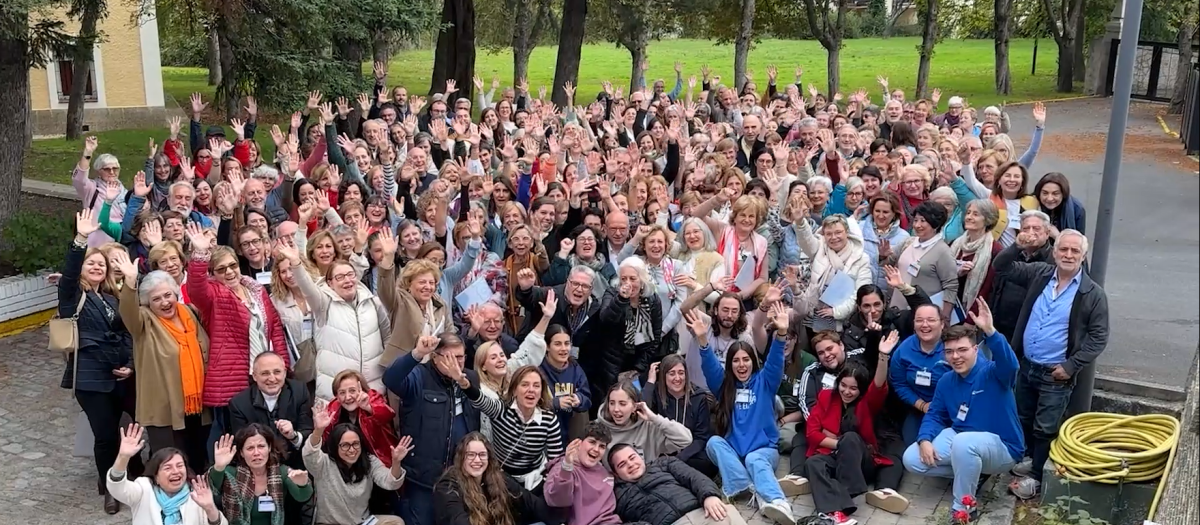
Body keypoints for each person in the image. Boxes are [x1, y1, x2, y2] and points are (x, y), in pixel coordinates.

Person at [993, 229, 1109, 499]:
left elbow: (1099, 336)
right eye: (1064, 249)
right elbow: (1002, 267)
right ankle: (1032, 460)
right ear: (1055, 251)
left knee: (1045, 426)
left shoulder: (1091, 293)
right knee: (1023, 417)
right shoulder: (1040, 274)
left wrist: (1071, 366)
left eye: (1075, 251)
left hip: (1056, 373)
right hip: (1027, 365)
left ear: (1083, 256)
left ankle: (1036, 477)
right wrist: (1017, 246)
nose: (1068, 255)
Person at [902, 299, 1022, 523]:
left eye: (962, 350)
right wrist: (924, 439)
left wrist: (990, 331)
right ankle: (972, 472)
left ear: (976, 350)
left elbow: (1011, 365)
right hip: (961, 439)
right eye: (949, 352)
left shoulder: (993, 373)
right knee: (912, 459)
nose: (955, 357)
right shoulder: (947, 380)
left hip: (1003, 447)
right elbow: (935, 414)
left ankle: (963, 510)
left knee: (964, 443)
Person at [184, 223, 290, 455]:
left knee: (260, 436)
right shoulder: (214, 294)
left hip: (262, 373)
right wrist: (200, 255)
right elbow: (196, 289)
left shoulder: (256, 290)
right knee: (227, 438)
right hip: (232, 378)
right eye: (222, 269)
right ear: (213, 273)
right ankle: (218, 480)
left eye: (232, 265)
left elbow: (274, 330)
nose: (230, 272)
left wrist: (281, 363)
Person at [62, 209, 138, 514]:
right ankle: (109, 487)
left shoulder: (111, 298)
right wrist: (81, 239)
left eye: (100, 264)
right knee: (105, 435)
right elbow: (68, 275)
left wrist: (131, 363)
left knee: (130, 427)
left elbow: (129, 331)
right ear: (82, 268)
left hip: (121, 376)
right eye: (90, 263)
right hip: (91, 380)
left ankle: (130, 471)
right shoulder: (72, 296)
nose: (96, 266)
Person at [695, 303, 795, 525]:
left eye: (746, 359)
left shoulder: (765, 382)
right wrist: (703, 341)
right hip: (734, 453)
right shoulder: (724, 385)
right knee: (713, 442)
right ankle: (747, 487)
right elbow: (710, 366)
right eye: (736, 360)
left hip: (763, 451)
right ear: (730, 365)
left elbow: (776, 361)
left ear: (753, 362)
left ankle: (778, 502)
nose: (741, 365)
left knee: (754, 458)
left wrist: (781, 333)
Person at [113, 252, 210, 476]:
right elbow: (127, 312)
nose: (165, 302)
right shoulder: (144, 321)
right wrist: (129, 283)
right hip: (164, 407)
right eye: (156, 299)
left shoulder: (188, 312)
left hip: (197, 403)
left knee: (197, 457)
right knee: (169, 461)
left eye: (168, 295)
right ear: (147, 303)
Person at [804, 334, 908, 524]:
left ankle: (846, 491)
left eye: (853, 388)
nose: (846, 391)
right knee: (813, 463)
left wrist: (883, 356)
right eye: (843, 385)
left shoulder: (867, 404)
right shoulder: (827, 396)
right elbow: (812, 433)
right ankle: (836, 513)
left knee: (850, 438)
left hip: (862, 463)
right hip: (835, 455)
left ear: (860, 390)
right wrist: (838, 443)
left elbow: (878, 386)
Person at [382, 332, 481, 525]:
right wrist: (417, 353)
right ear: (434, 357)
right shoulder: (419, 376)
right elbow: (390, 379)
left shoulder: (470, 378)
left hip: (460, 476)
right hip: (424, 478)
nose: (456, 363)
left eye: (460, 357)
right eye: (450, 357)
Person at [274, 244, 391, 400]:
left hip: (372, 390)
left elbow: (387, 338)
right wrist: (296, 263)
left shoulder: (373, 303)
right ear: (330, 283)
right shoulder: (323, 305)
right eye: (340, 277)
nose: (347, 281)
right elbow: (308, 288)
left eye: (350, 275)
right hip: (336, 393)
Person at [303, 399, 411, 525]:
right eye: (345, 445)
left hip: (362, 522)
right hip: (330, 523)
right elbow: (309, 454)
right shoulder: (323, 463)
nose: (352, 450)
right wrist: (318, 431)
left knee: (396, 522)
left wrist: (396, 462)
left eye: (355, 444)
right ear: (335, 446)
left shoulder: (369, 461)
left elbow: (391, 483)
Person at [464, 365, 565, 488]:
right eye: (525, 385)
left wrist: (546, 481)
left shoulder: (549, 420)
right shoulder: (501, 410)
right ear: (514, 390)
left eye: (536, 386)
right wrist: (464, 384)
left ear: (541, 391)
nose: (531, 390)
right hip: (501, 477)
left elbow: (556, 461)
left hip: (534, 479)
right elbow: (480, 400)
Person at [107, 424, 227, 525]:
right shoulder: (144, 490)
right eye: (167, 467)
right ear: (156, 476)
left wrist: (210, 508)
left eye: (180, 466)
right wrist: (123, 457)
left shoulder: (197, 494)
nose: (175, 471)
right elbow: (117, 488)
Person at [433, 432, 562, 525]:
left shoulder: (497, 478)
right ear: (461, 458)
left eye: (482, 455)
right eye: (471, 455)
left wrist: (560, 520)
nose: (477, 460)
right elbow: (458, 520)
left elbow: (530, 502)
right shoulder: (448, 485)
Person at [609, 444, 747, 525]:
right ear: (616, 473)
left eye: (632, 458)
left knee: (727, 514)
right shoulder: (617, 495)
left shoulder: (664, 463)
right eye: (622, 464)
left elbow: (693, 477)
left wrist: (709, 496)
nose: (631, 464)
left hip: (703, 512)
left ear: (640, 456)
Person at [209, 424, 314, 525]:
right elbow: (210, 486)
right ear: (241, 452)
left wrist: (303, 484)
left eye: (261, 446)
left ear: (269, 448)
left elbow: (302, 497)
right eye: (250, 448)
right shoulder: (231, 473)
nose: (256, 453)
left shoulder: (281, 472)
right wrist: (219, 467)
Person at [227, 352, 314, 469]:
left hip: (296, 463)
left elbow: (308, 432)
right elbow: (241, 444)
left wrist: (293, 436)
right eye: (265, 373)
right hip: (258, 466)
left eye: (277, 372)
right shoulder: (239, 404)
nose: (272, 378)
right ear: (254, 376)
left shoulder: (300, 391)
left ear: (285, 372)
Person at [543, 422, 635, 525]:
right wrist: (567, 466)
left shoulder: (603, 469)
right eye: (592, 442)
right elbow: (556, 500)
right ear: (578, 443)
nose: (596, 449)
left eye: (602, 446)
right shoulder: (562, 468)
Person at [643, 354, 717, 477]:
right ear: (663, 375)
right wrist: (650, 380)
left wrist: (679, 459)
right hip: (664, 450)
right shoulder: (656, 393)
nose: (677, 378)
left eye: (681, 373)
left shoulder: (698, 397)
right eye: (672, 373)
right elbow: (643, 409)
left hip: (689, 453)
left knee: (708, 464)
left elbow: (701, 437)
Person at [988, 211, 1054, 342]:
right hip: (1001, 324)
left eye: (1036, 228)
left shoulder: (1053, 258)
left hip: (1029, 328)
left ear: (1047, 233)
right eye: (1026, 228)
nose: (1031, 232)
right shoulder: (1012, 253)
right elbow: (998, 268)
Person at [890, 201, 958, 323]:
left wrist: (944, 316)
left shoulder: (943, 251)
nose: (917, 225)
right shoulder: (909, 242)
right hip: (898, 308)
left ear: (935, 224)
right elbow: (889, 261)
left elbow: (951, 286)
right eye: (915, 220)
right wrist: (884, 254)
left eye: (923, 221)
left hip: (924, 313)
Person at [318, 370, 399, 468]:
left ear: (362, 390)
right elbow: (324, 443)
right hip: (345, 465)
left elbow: (388, 414)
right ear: (337, 396)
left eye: (352, 391)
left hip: (378, 464)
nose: (348, 397)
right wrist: (319, 429)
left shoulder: (372, 399)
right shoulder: (333, 409)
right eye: (342, 393)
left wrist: (368, 408)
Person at [598, 380, 694, 461]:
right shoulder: (599, 427)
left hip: (647, 480)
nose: (616, 409)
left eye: (622, 404)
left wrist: (655, 418)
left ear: (634, 407)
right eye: (612, 403)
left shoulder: (649, 427)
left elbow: (685, 439)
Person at [539, 324, 594, 443]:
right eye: (558, 344)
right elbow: (531, 403)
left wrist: (579, 399)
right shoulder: (538, 369)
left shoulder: (575, 368)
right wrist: (555, 403)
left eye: (567, 343)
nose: (564, 348)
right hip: (545, 432)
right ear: (547, 346)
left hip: (570, 428)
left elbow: (587, 398)